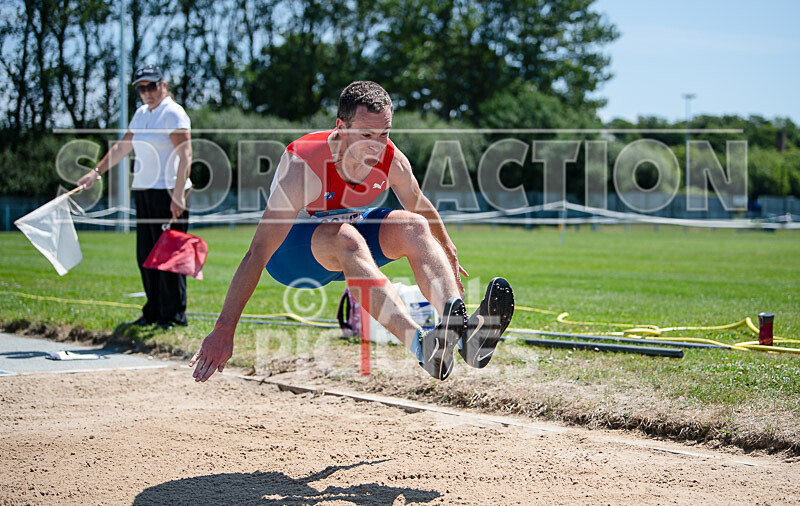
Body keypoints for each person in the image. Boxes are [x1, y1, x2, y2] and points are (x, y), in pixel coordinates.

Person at [190, 81, 514, 382]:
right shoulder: (303, 167)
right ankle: (421, 345)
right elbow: (257, 253)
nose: (377, 146)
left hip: (351, 236)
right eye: (366, 135)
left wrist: (449, 250)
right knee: (346, 237)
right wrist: (224, 329)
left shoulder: (392, 160)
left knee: (415, 226)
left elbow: (420, 204)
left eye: (384, 133)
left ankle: (463, 333)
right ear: (341, 127)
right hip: (291, 255)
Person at [78, 64, 193, 330]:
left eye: (151, 86)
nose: (147, 92)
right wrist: (96, 172)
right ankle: (153, 313)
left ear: (163, 85)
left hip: (169, 192)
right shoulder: (141, 114)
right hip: (144, 191)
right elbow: (122, 147)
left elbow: (186, 155)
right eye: (141, 88)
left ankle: (174, 317)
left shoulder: (173, 113)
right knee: (146, 256)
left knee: (169, 257)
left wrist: (178, 195)